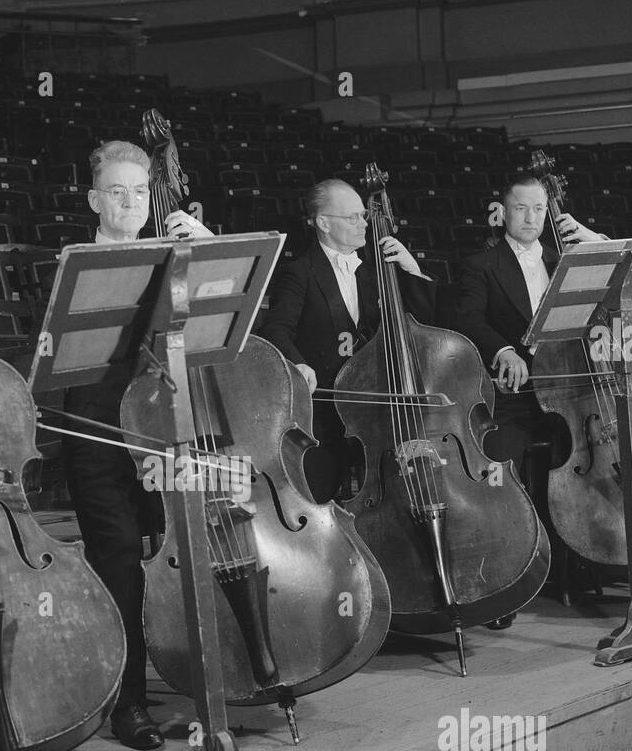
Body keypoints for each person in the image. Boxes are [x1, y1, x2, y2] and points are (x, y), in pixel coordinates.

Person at [58, 140, 210, 751]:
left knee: (191, 548)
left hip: (167, 428)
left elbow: (223, 327)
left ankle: (218, 682)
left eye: (140, 191)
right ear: (95, 199)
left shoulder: (179, 256)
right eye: (116, 192)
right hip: (97, 434)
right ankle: (129, 702)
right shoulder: (73, 263)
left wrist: (204, 250)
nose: (130, 202)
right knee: (118, 555)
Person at [454, 171, 605, 626]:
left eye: (539, 208)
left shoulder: (566, 260)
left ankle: (581, 560)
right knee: (505, 472)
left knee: (584, 464)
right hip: (514, 394)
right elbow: (465, 317)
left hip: (568, 391)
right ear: (502, 212)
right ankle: (506, 578)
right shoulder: (480, 264)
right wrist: (502, 349)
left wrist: (597, 326)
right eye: (521, 208)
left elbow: (597, 307)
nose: (532, 217)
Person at [256, 179, 437, 503]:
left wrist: (412, 271)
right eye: (352, 217)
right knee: (323, 487)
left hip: (379, 404)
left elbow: (425, 323)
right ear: (323, 223)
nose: (363, 224)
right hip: (325, 408)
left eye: (363, 216)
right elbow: (277, 329)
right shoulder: (299, 272)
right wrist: (299, 364)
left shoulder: (379, 269)